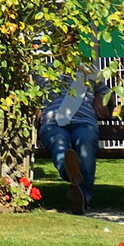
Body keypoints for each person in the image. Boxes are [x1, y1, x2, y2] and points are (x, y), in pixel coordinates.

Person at [40, 66, 99, 213]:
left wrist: (100, 97)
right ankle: (69, 173)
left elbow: (107, 93)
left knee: (86, 141)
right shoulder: (44, 72)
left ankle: (82, 198)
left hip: (84, 121)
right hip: (53, 122)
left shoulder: (89, 71)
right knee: (59, 140)